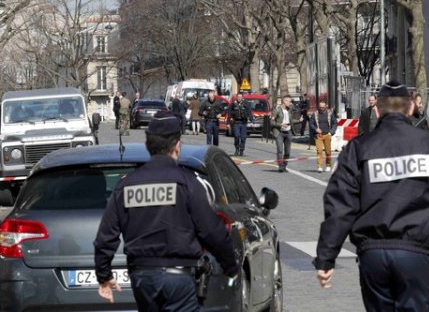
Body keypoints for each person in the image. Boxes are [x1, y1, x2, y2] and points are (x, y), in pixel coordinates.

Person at [314, 80, 429, 312]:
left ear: (377, 110)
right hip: (415, 250)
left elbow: (340, 206)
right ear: (410, 108)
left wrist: (326, 258)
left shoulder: (359, 148)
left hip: (373, 254)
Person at [94, 111, 239, 310]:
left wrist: (104, 275)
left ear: (147, 145)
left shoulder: (126, 185)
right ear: (177, 145)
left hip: (142, 278)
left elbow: (105, 236)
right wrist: (230, 266)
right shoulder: (187, 182)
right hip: (179, 278)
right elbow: (212, 230)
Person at [309, 101, 338, 173]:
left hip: (327, 135)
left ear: (326, 106)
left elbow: (335, 123)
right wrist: (316, 129)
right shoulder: (315, 114)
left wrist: (331, 133)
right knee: (319, 151)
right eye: (320, 107)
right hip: (318, 135)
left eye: (323, 107)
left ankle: (328, 165)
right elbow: (311, 123)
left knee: (328, 151)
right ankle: (320, 166)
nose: (321, 108)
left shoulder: (330, 114)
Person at [271, 95, 296, 172]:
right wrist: (280, 124)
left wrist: (299, 120)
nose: (290, 103)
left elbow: (291, 120)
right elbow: (271, 122)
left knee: (288, 151)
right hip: (279, 133)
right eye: (289, 101)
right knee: (280, 150)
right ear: (284, 101)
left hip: (288, 132)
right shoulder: (277, 110)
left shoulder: (289, 110)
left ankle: (285, 166)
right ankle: (280, 166)